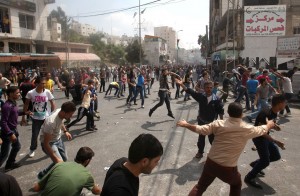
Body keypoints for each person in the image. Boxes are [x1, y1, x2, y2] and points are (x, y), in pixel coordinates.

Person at [176, 102, 276, 196]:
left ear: (228, 113)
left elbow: (201, 129)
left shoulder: (218, 124)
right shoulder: (247, 129)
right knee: (236, 184)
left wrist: (186, 124)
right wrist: (269, 125)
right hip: (227, 168)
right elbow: (262, 129)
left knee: (200, 187)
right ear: (241, 114)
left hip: (210, 163)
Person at [244, 94, 286, 189]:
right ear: (279, 103)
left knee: (276, 156)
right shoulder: (265, 113)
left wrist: (275, 126)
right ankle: (249, 177)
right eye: (284, 103)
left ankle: (255, 164)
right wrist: (276, 141)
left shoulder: (274, 112)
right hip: (259, 138)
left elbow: (270, 122)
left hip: (265, 137)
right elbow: (261, 132)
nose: (285, 104)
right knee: (265, 161)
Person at [176, 79, 224, 158]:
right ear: (204, 89)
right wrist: (181, 84)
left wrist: (222, 122)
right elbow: (191, 91)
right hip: (201, 121)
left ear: (213, 88)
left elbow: (221, 111)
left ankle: (215, 154)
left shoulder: (217, 100)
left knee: (212, 139)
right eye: (207, 88)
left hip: (211, 123)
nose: (209, 89)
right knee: (201, 139)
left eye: (210, 87)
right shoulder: (201, 96)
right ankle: (200, 152)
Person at [33, 147, 101, 196]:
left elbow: (36, 188)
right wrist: (96, 186)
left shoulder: (59, 165)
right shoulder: (86, 175)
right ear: (87, 161)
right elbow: (97, 191)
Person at [37, 101, 76, 179]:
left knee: (64, 159)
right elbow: (46, 144)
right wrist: (55, 159)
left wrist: (65, 131)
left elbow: (61, 122)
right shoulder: (51, 122)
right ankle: (45, 178)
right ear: (64, 112)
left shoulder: (60, 111)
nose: (71, 117)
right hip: (50, 143)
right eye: (70, 115)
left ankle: (43, 173)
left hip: (58, 139)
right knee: (59, 163)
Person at [22, 76, 55, 158]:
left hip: (46, 118)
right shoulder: (31, 93)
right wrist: (23, 117)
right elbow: (26, 104)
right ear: (36, 84)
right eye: (42, 83)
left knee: (49, 134)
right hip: (36, 118)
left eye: (44, 83)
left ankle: (50, 148)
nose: (44, 85)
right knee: (35, 135)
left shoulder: (47, 92)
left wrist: (52, 114)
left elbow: (52, 103)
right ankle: (32, 149)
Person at [0, 87, 30, 171]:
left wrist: (24, 112)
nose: (19, 94)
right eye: (17, 93)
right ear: (10, 94)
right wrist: (10, 133)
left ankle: (9, 164)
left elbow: (16, 112)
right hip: (7, 132)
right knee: (4, 154)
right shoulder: (7, 106)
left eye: (19, 92)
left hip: (13, 130)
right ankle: (9, 164)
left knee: (17, 147)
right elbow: (3, 122)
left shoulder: (13, 103)